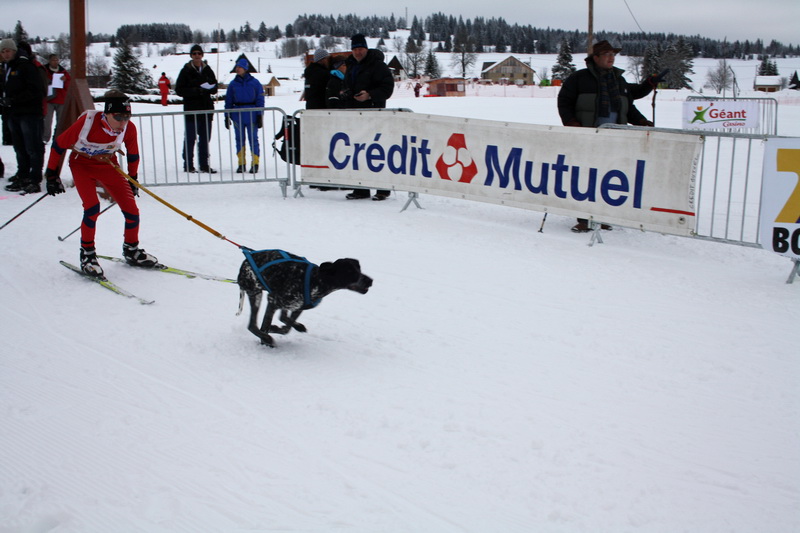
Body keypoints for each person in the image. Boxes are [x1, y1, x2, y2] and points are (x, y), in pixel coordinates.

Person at [43, 90, 158, 277]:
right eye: (118, 117)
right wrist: (51, 175)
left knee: (132, 210)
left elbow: (133, 153)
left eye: (127, 117)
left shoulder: (129, 128)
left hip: (108, 164)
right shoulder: (87, 123)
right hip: (82, 164)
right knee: (92, 208)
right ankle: (87, 254)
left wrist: (133, 178)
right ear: (107, 113)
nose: (123, 122)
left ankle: (131, 249)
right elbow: (58, 145)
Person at [557, 40, 658, 233]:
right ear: (596, 58)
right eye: (607, 54)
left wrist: (642, 122)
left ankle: (601, 215)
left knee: (608, 177)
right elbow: (564, 101)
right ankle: (584, 218)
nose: (611, 58)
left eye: (613, 54)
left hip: (614, 138)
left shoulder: (618, 80)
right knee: (586, 177)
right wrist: (570, 122)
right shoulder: (579, 78)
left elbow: (628, 106)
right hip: (588, 136)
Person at [341, 33, 395, 201]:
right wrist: (346, 93)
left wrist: (370, 95)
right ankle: (361, 188)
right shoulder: (350, 65)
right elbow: (347, 85)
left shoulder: (378, 65)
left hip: (375, 115)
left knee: (377, 152)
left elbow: (387, 88)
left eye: (361, 49)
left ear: (366, 48)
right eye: (355, 49)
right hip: (355, 115)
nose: (358, 52)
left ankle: (383, 189)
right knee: (358, 152)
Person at [2, 39, 46, 194]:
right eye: (3, 51)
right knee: (19, 147)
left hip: (29, 113)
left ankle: (34, 179)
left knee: (33, 146)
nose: (5, 54)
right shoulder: (7, 67)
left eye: (8, 51)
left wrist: (14, 99)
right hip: (13, 113)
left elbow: (36, 91)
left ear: (14, 51)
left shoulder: (26, 66)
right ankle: (23, 175)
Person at [175, 44, 218, 173]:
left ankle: (204, 164)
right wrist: (196, 91)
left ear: (202, 55)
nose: (197, 56)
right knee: (190, 138)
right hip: (191, 110)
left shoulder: (207, 69)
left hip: (206, 110)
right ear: (191, 56)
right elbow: (179, 90)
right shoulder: (185, 70)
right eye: (194, 53)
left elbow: (215, 87)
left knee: (205, 139)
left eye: (199, 53)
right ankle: (188, 164)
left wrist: (209, 88)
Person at [224, 58, 264, 173]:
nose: (238, 69)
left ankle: (255, 162)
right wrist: (227, 116)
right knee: (239, 139)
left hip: (251, 114)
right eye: (237, 67)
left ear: (245, 68)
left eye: (240, 67)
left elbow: (260, 99)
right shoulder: (233, 84)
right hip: (237, 114)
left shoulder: (255, 82)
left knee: (253, 139)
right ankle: (241, 163)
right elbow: (228, 101)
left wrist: (260, 114)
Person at [43, 54, 71, 144]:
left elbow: (69, 85)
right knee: (47, 120)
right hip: (49, 99)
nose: (55, 62)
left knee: (60, 121)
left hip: (61, 99)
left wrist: (65, 80)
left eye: (56, 60)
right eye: (53, 60)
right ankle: (45, 138)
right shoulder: (44, 70)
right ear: (49, 61)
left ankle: (58, 138)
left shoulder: (63, 72)